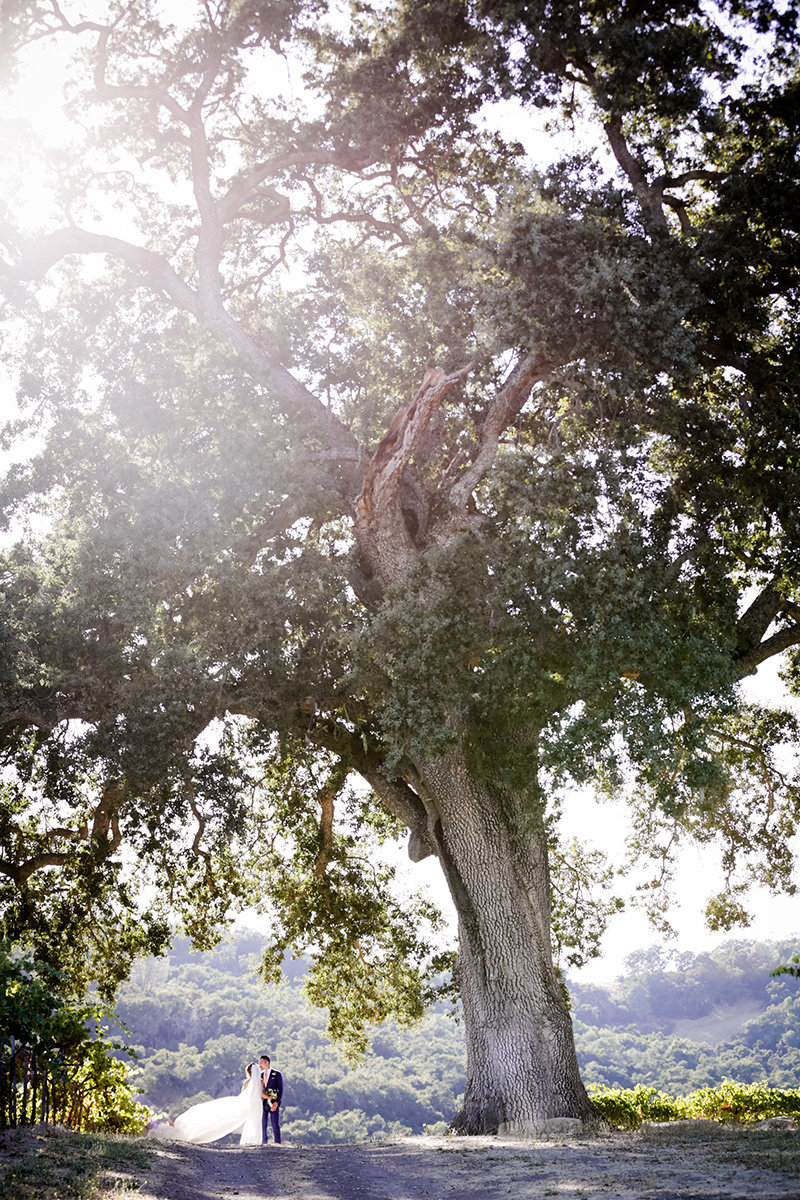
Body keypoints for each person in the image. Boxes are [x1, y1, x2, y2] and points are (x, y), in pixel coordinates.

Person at [147, 1061, 262, 1145]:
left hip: (247, 1104)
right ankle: (255, 1139)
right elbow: (260, 1094)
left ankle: (252, 1140)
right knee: (254, 1121)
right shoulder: (258, 1083)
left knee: (227, 1119)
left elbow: (243, 1093)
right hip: (257, 1104)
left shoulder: (247, 1082)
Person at [259, 1053, 283, 1144]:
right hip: (262, 1103)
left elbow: (280, 1089)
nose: (260, 1065)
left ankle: (277, 1143)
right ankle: (264, 1143)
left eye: (261, 1062)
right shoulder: (260, 1075)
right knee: (263, 1124)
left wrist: (276, 1103)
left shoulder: (277, 1074)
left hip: (273, 1103)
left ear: (267, 1063)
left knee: (274, 1123)